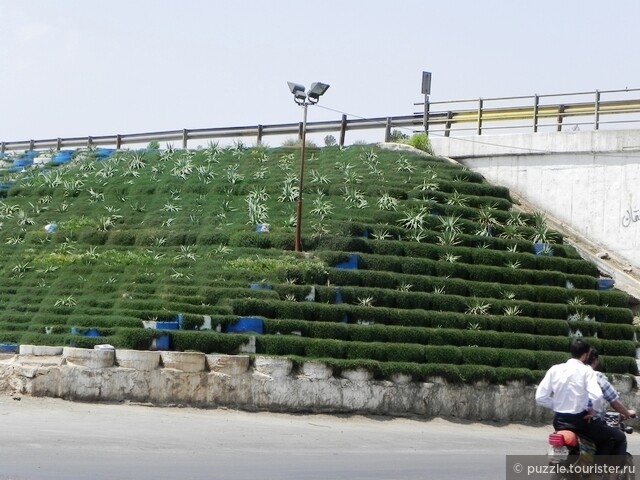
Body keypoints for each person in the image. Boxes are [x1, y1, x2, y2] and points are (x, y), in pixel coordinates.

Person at [535, 339, 628, 462]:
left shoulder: (554, 369)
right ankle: (600, 471)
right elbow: (598, 396)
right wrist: (593, 411)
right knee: (618, 438)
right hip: (580, 423)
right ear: (585, 355)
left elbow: (540, 397)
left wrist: (557, 404)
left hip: (559, 422)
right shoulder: (586, 371)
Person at [586, 348, 636, 422]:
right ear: (595, 360)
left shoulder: (568, 374)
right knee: (619, 434)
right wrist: (627, 413)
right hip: (590, 420)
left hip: (566, 418)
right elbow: (615, 404)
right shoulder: (597, 376)